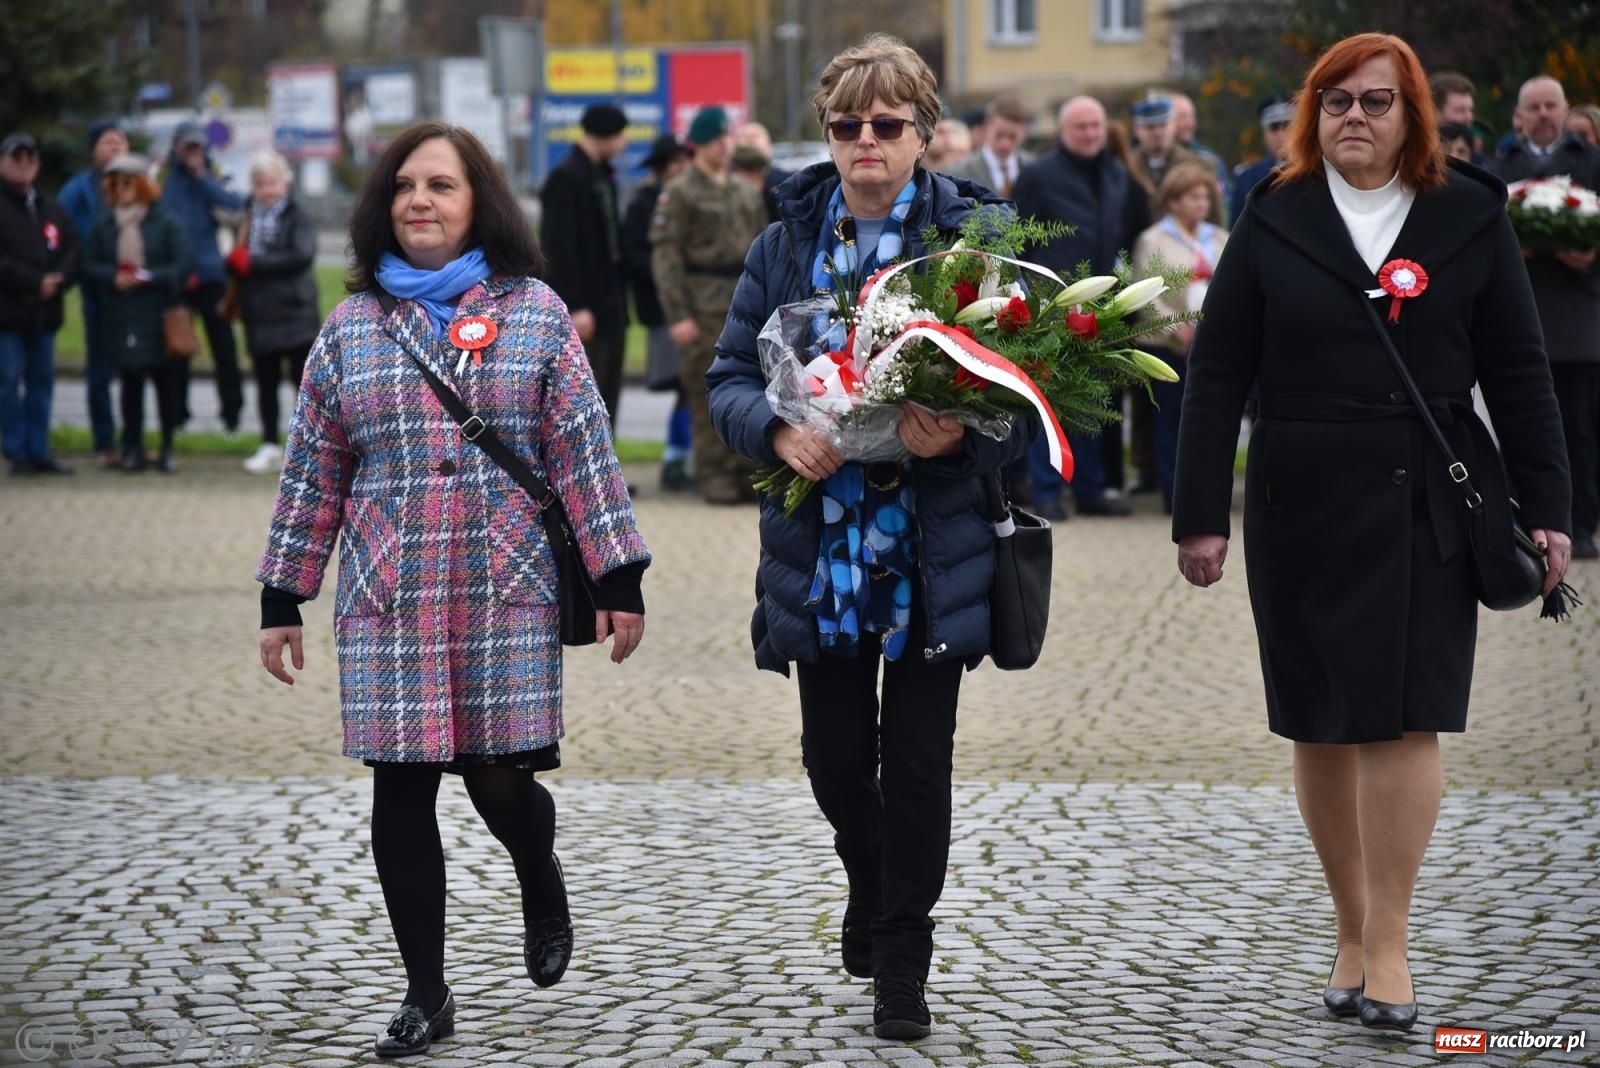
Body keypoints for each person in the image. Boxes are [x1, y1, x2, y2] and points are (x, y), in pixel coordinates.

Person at [1173, 33, 1572, 1034]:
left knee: (1406, 712)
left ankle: (1388, 942)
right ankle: (1349, 927)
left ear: (1412, 117)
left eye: (1376, 102)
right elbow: (1218, 369)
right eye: (1335, 100)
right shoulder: (1273, 212)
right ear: (1313, 114)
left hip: (1425, 495)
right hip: (1298, 493)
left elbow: (1520, 372)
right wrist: (1194, 519)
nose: (1354, 117)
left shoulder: (1470, 214)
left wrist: (1549, 508)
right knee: (1319, 717)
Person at [254, 121, 650, 1058]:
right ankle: (425, 993)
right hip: (390, 592)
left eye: (440, 185)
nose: (419, 201)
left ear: (480, 203)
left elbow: (583, 452)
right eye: (403, 187)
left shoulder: (536, 311)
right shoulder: (350, 328)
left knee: (500, 783)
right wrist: (283, 594)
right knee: (400, 790)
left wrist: (617, 576)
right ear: (381, 207)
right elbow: (314, 472)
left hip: (502, 583)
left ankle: (537, 867)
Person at [706, 33, 1024, 1042]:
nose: (865, 142)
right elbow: (725, 381)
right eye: (847, 125)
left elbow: (1029, 393)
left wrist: (962, 428)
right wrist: (777, 429)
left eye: (887, 125)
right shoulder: (782, 246)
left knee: (920, 766)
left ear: (923, 134)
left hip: (933, 546)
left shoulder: (969, 246)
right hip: (826, 540)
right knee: (837, 764)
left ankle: (901, 957)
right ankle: (869, 873)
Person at [1014, 96, 1151, 519]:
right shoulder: (1038, 175)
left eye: (1095, 126)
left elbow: (1127, 236)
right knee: (1050, 401)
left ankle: (1090, 490)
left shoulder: (1117, 173)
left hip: (1102, 309)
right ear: (1063, 131)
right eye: (1080, 127)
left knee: (1092, 399)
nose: (1090, 134)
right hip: (1052, 306)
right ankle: (1047, 492)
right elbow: (1021, 239)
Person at [1489, 76, 1600, 560]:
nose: (1542, 115)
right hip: (1521, 314)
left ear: (1564, 108)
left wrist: (1588, 255)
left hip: (1577, 316)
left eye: (1550, 105)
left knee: (1578, 427)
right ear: (1518, 116)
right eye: (1532, 107)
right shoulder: (1498, 170)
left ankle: (1582, 524)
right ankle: (1521, 522)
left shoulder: (1592, 164)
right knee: (1518, 423)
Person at [651, 105, 767, 505]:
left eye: (727, 138)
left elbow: (762, 250)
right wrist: (678, 314)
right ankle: (714, 472)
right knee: (707, 393)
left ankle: (744, 468)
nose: (725, 146)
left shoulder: (742, 190)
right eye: (717, 139)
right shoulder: (681, 192)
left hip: (742, 300)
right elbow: (666, 256)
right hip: (701, 303)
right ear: (698, 144)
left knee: (750, 386)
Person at [82, 154, 191, 473]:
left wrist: (150, 276)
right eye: (114, 183)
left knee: (165, 384)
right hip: (122, 313)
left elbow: (182, 264)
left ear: (142, 185)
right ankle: (132, 448)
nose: (121, 188)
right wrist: (112, 276)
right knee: (130, 385)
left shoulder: (165, 220)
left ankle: (167, 447)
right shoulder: (105, 223)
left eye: (127, 182)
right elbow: (90, 264)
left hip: (159, 313)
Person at [1131, 160, 1227, 512]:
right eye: (1192, 197)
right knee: (1171, 420)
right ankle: (1175, 494)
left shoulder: (1218, 237)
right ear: (1173, 201)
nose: (1201, 204)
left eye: (1204, 197)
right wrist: (1179, 327)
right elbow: (1146, 294)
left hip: (1212, 346)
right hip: (1170, 347)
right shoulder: (1152, 240)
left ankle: (1209, 494)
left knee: (1209, 422)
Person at [226, 151, 320, 475]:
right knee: (265, 385)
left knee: (303, 386)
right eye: (261, 183)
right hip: (259, 315)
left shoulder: (298, 215)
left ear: (284, 183)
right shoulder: (245, 216)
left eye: (273, 182)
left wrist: (253, 263)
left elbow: (301, 255)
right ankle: (269, 444)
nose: (267, 189)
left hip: (295, 313)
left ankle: (308, 450)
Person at [539, 104, 629, 430]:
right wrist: (574, 305)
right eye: (619, 136)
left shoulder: (601, 176)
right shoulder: (567, 178)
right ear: (603, 134)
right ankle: (587, 477)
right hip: (587, 308)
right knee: (587, 398)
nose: (623, 144)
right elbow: (558, 248)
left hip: (610, 306)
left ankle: (609, 475)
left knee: (610, 395)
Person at [0, 132, 78, 476]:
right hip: (8, 313)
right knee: (8, 382)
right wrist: (32, 282)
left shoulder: (49, 205)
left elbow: (72, 248)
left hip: (44, 314)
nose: (23, 164)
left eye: (29, 158)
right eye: (16, 158)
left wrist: (58, 279)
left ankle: (39, 451)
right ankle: (16, 452)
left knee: (41, 383)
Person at [161, 121, 246, 433]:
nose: (193, 153)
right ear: (176, 148)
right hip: (177, 277)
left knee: (224, 349)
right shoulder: (164, 177)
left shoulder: (215, 174)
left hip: (212, 275)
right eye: (188, 148)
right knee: (178, 348)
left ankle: (232, 416)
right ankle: (178, 416)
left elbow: (235, 206)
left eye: (198, 147)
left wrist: (202, 177)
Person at [621, 133, 694, 491]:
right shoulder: (644, 205)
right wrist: (668, 279)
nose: (684, 169)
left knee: (692, 386)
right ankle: (675, 459)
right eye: (677, 163)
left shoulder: (688, 199)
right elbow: (633, 254)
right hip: (664, 308)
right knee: (683, 384)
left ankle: (682, 456)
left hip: (693, 305)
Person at [59, 119, 129, 467]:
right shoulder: (78, 190)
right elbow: (64, 235)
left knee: (135, 370)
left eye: (121, 141)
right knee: (100, 373)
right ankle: (105, 444)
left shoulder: (138, 184)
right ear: (93, 150)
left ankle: (133, 442)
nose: (116, 147)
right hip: (98, 293)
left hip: (135, 299)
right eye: (108, 142)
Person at [944, 92, 1034, 199]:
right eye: (999, 135)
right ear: (987, 127)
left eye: (1012, 137)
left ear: (1024, 133)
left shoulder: (1035, 169)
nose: (1005, 144)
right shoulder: (959, 173)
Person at [1230, 95, 1294, 222]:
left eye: (1287, 125)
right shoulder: (1246, 179)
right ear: (1264, 132)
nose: (1281, 135)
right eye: (1274, 127)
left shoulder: (1321, 172)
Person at [1170, 92, 1231, 221]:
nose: (1189, 123)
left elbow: (1226, 202)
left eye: (1192, 117)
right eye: (1182, 117)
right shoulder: (1156, 160)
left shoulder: (1209, 160)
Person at [735, 120, 790, 223]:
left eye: (755, 136)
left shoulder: (786, 184)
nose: (749, 141)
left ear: (770, 148)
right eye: (744, 137)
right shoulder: (725, 187)